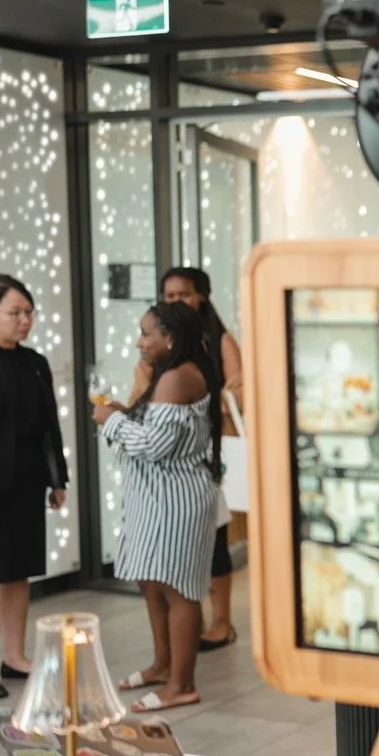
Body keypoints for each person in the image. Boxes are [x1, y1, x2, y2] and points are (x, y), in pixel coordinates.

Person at [96, 301, 222, 713]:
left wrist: (110, 422)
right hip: (158, 498)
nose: (139, 341)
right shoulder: (168, 375)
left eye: (147, 333)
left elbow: (154, 447)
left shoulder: (178, 378)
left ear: (170, 337)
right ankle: (163, 666)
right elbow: (156, 433)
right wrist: (123, 411)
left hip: (176, 501)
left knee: (179, 590)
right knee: (152, 582)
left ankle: (182, 685)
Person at [132, 267, 242, 652]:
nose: (176, 301)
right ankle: (183, 633)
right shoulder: (156, 352)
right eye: (169, 295)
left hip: (212, 451)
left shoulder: (218, 341)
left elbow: (239, 391)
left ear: (203, 296)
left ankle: (222, 621)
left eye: (183, 294)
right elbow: (139, 403)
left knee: (214, 537)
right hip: (167, 465)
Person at [0, 275, 68, 699]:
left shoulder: (36, 362)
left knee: (18, 573)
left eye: (29, 312)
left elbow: (49, 426)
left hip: (26, 482)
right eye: (16, 313)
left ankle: (14, 656)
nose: (25, 320)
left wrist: (56, 477)